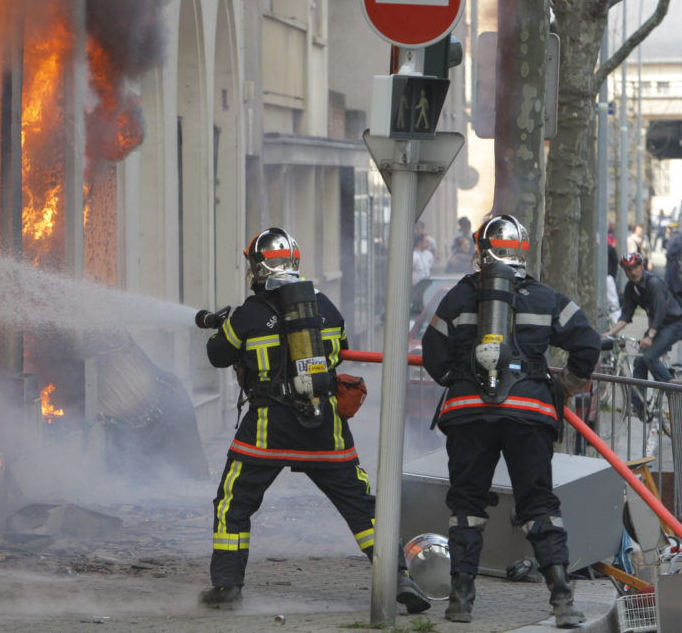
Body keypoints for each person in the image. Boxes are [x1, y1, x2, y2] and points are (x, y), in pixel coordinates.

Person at [198, 227, 430, 614]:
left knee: (233, 502)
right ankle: (398, 577)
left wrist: (228, 325)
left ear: (257, 267)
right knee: (362, 507)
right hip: (325, 429)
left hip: (267, 430)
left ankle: (226, 586)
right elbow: (339, 351)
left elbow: (218, 354)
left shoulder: (249, 313)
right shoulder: (326, 307)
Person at [421, 214, 600, 628]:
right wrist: (567, 385)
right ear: (523, 251)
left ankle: (460, 601)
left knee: (466, 503)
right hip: (530, 414)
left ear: (480, 250)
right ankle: (563, 601)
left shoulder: (457, 297)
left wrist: (460, 381)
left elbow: (433, 352)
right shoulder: (546, 297)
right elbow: (587, 342)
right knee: (538, 503)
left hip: (467, 415)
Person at [604, 252, 682, 420]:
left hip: (674, 324)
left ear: (642, 266)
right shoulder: (631, 288)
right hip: (659, 326)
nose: (632, 272)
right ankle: (638, 405)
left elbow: (660, 312)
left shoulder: (653, 283)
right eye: (628, 269)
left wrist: (650, 336)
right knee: (639, 360)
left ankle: (675, 394)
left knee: (649, 358)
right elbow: (625, 316)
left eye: (635, 267)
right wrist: (610, 333)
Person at [665, 226, 682, 300]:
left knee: (675, 282)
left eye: (668, 228)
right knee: (669, 281)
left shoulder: (677, 237)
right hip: (670, 262)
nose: (667, 230)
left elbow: (680, 249)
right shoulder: (673, 237)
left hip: (674, 263)